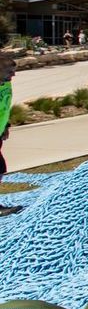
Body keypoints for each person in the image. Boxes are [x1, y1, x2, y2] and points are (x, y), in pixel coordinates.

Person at [0, 52, 23, 216]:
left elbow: (4, 106)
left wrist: (5, 126)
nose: (13, 75)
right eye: (9, 72)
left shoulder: (6, 85)